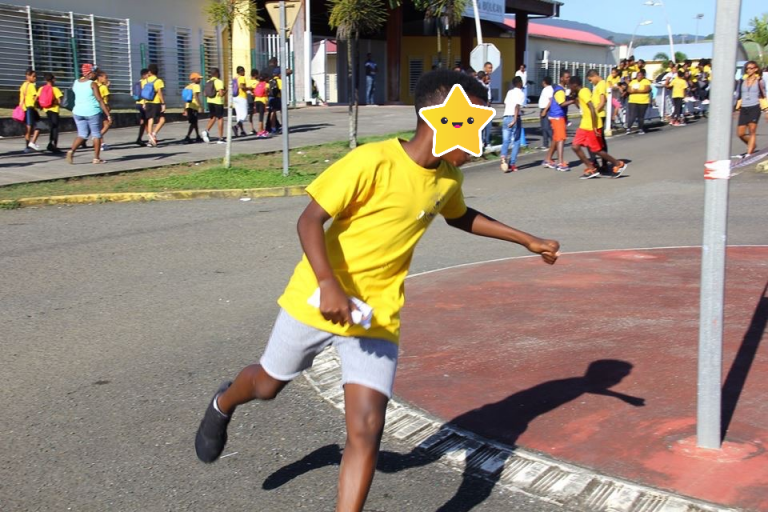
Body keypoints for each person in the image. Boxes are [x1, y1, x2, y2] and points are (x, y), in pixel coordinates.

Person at [193, 69, 560, 512]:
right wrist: (329, 284)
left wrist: (527, 240)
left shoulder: (448, 179)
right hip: (318, 296)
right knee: (268, 385)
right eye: (478, 124)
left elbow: (459, 216)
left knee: (367, 430)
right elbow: (310, 220)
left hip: (376, 314)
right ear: (440, 121)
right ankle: (223, 400)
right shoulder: (372, 161)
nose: (485, 136)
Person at [568, 76, 626, 180]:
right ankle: (591, 169)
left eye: (569, 85)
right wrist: (574, 99)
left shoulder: (583, 92)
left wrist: (595, 127)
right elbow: (582, 107)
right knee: (575, 146)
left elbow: (592, 108)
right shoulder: (580, 93)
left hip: (591, 125)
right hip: (584, 125)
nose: (569, 87)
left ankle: (618, 164)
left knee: (597, 150)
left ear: (574, 85)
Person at [66, 63, 110, 165]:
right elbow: (100, 100)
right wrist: (107, 114)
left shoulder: (76, 82)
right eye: (95, 73)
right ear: (90, 73)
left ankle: (71, 151)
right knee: (96, 135)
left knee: (82, 134)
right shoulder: (92, 84)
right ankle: (96, 158)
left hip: (78, 112)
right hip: (92, 112)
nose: (96, 75)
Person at [734, 60, 766, 157]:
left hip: (754, 107)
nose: (749, 70)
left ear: (756, 69)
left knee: (752, 130)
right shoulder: (742, 81)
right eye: (747, 68)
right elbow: (739, 95)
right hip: (744, 108)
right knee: (741, 133)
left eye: (751, 68)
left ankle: (749, 153)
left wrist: (766, 110)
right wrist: (736, 109)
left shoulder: (760, 81)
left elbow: (762, 96)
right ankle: (752, 145)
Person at [542, 75, 569, 172]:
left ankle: (548, 159)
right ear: (561, 78)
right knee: (561, 138)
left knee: (556, 139)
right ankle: (561, 163)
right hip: (557, 116)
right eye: (566, 77)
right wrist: (573, 101)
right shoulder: (559, 90)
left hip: (556, 115)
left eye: (569, 77)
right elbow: (562, 103)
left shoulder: (560, 89)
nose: (568, 79)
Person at [500, 76, 525, 173]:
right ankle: (512, 164)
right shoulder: (521, 93)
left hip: (506, 117)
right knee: (517, 141)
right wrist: (514, 119)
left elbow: (506, 104)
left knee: (506, 140)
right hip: (515, 118)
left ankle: (503, 158)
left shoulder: (509, 92)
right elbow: (517, 106)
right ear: (520, 83)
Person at [143, 64, 166, 147]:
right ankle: (153, 134)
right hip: (156, 102)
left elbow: (144, 92)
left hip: (148, 101)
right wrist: (163, 103)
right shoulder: (158, 81)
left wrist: (144, 102)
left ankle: (150, 138)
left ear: (149, 71)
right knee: (162, 119)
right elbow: (159, 93)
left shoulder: (145, 80)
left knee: (150, 119)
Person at [41, 73, 63, 154]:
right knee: (55, 128)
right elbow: (59, 101)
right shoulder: (55, 89)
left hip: (46, 110)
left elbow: (37, 98)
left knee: (51, 127)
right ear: (53, 79)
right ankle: (54, 145)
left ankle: (50, 143)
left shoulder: (41, 89)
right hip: (54, 110)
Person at [19, 68, 41, 153]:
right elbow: (35, 97)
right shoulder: (31, 86)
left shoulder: (23, 85)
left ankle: (27, 146)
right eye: (33, 76)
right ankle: (31, 143)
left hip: (24, 108)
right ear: (27, 76)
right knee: (38, 126)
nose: (35, 78)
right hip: (31, 108)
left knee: (28, 128)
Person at [202, 68, 226, 144]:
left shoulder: (208, 82)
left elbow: (205, 94)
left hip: (210, 102)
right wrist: (226, 91)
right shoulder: (219, 82)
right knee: (220, 118)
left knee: (212, 117)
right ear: (217, 73)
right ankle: (221, 138)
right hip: (218, 102)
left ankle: (206, 131)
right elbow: (221, 94)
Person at [625, 69, 652, 135]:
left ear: (643, 76)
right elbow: (629, 90)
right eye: (638, 75)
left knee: (641, 116)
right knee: (632, 115)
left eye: (640, 75)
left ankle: (640, 128)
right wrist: (637, 90)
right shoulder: (633, 81)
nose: (638, 76)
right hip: (633, 100)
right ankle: (628, 128)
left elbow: (646, 89)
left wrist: (636, 91)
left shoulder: (646, 81)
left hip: (643, 101)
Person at [183, 72, 203, 144]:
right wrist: (200, 106)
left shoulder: (188, 86)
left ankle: (198, 136)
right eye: (198, 78)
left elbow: (185, 98)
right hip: (194, 106)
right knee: (193, 122)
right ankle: (187, 136)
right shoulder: (196, 86)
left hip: (189, 106)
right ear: (194, 79)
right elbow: (196, 96)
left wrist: (185, 109)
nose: (200, 80)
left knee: (195, 122)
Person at [96, 71, 112, 150]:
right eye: (105, 78)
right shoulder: (103, 87)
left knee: (100, 126)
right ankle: (97, 138)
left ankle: (101, 143)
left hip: (97, 107)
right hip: (104, 107)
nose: (107, 79)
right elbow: (108, 98)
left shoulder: (94, 85)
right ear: (100, 77)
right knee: (108, 124)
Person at [537, 76, 554, 150]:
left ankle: (554, 142)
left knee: (547, 128)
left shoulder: (549, 89)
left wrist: (544, 111)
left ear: (544, 82)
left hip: (546, 110)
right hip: (543, 109)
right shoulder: (545, 89)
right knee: (543, 128)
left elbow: (550, 101)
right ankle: (545, 144)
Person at [233, 66, 249, 138]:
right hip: (242, 97)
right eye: (244, 71)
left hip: (235, 97)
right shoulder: (242, 78)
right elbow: (242, 87)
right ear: (241, 71)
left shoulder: (234, 78)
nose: (244, 73)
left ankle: (242, 131)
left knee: (239, 116)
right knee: (244, 115)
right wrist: (249, 88)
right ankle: (236, 127)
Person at [135, 68, 149, 147]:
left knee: (144, 121)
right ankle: (149, 137)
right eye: (148, 74)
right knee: (146, 121)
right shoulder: (145, 82)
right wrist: (145, 103)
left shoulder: (138, 82)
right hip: (144, 103)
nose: (149, 76)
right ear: (144, 75)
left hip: (138, 103)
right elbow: (146, 93)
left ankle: (140, 138)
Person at [267, 68, 283, 134]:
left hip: (271, 98)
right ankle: (283, 127)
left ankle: (273, 128)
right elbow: (282, 90)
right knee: (282, 112)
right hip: (278, 98)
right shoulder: (280, 81)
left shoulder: (270, 81)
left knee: (273, 112)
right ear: (279, 74)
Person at [247, 68, 259, 135]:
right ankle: (259, 128)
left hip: (248, 97)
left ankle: (252, 128)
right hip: (254, 98)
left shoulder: (248, 81)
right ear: (255, 75)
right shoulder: (256, 82)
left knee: (251, 114)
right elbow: (254, 90)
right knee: (257, 112)